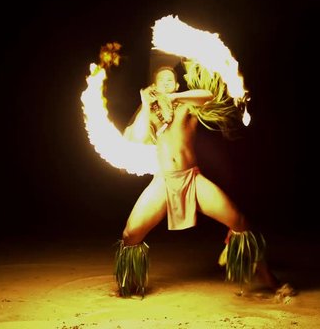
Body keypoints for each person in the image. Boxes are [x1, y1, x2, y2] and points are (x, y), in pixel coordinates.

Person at [114, 58, 290, 299]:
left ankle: (269, 280)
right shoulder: (151, 117)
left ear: (176, 86)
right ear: (154, 86)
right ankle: (129, 285)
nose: (166, 82)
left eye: (170, 80)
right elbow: (138, 138)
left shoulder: (188, 108)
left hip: (192, 180)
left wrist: (175, 99)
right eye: (161, 80)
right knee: (130, 235)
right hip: (163, 182)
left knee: (239, 221)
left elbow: (207, 95)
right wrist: (146, 105)